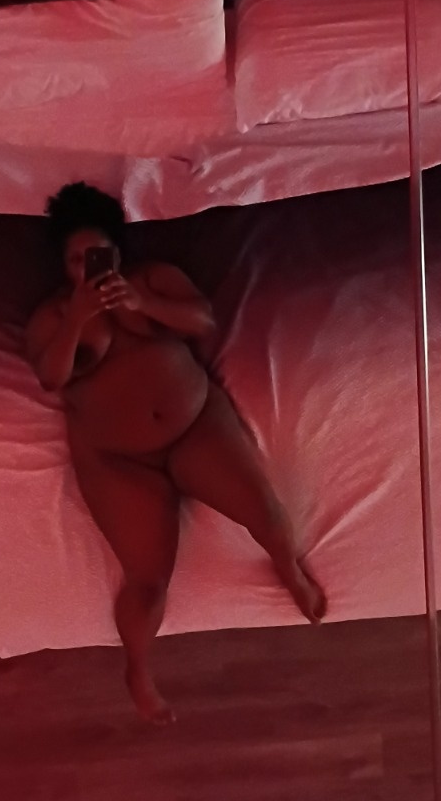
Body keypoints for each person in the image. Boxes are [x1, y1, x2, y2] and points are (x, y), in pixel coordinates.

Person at [27, 184, 326, 725]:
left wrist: (142, 304)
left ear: (118, 251)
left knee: (266, 514)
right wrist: (77, 319)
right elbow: (51, 377)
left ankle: (287, 566)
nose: (88, 269)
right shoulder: (52, 315)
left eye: (99, 255)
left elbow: (203, 321)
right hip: (117, 459)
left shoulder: (152, 279)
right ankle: (138, 668)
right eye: (76, 260)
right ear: (62, 264)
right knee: (147, 580)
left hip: (194, 426)